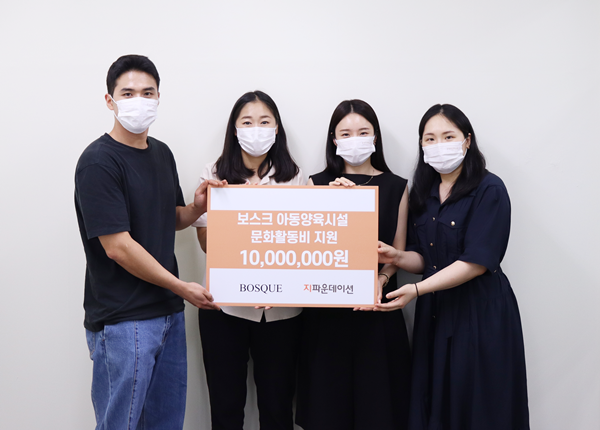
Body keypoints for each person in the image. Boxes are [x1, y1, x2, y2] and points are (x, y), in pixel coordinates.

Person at [74, 54, 224, 430]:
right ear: (109, 100)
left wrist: (197, 207)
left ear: (158, 98)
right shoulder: (98, 162)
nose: (138, 101)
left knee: (165, 423)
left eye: (147, 92)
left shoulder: (161, 153)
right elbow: (118, 247)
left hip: (168, 313)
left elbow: (169, 218)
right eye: (128, 93)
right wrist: (182, 287)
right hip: (124, 320)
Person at [376, 104, 529, 430]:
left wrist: (417, 289)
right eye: (430, 138)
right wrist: (397, 257)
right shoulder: (423, 193)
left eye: (448, 136)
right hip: (435, 313)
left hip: (479, 312)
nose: (439, 145)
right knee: (437, 403)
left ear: (467, 140)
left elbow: (476, 263)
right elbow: (424, 258)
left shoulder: (489, 189)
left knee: (480, 406)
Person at [296, 99, 411, 430]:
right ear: (334, 139)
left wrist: (382, 279)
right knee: (327, 410)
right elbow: (307, 251)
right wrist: (333, 202)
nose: (355, 139)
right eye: (346, 133)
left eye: (363, 132)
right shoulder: (316, 183)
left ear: (375, 137)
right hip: (326, 315)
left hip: (377, 311)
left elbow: (397, 252)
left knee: (378, 410)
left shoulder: (397, 186)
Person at [193, 90, 304, 430]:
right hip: (224, 307)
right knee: (226, 410)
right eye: (247, 122)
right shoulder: (213, 174)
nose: (256, 129)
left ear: (277, 128)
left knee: (278, 409)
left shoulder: (296, 177)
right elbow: (206, 244)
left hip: (282, 311)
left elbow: (303, 244)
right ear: (235, 128)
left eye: (264, 121)